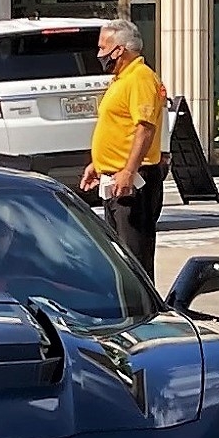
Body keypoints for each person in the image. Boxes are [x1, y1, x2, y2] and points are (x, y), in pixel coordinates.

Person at [79, 17, 167, 281]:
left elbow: (145, 128)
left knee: (134, 255)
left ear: (120, 49)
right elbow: (120, 126)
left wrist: (129, 170)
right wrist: (99, 164)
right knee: (119, 255)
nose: (99, 54)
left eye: (103, 48)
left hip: (133, 181)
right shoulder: (121, 79)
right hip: (114, 177)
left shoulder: (140, 78)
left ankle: (142, 312)